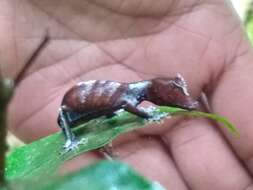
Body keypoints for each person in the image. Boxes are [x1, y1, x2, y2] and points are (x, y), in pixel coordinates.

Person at [1, 0, 253, 189]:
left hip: (90, 106)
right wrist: (146, 115)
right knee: (70, 117)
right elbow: (124, 104)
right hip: (73, 109)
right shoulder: (128, 96)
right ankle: (70, 139)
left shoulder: (133, 93)